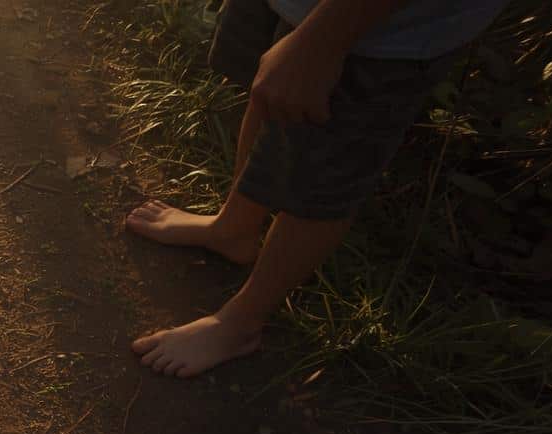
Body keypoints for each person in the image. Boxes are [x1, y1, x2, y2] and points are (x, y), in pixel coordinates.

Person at [126, 0, 510, 377]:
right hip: (309, 12)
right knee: (274, 93)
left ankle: (242, 323)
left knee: (326, 166)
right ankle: (234, 229)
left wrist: (322, 40)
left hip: (374, 29)